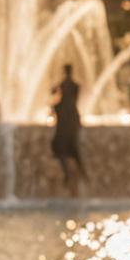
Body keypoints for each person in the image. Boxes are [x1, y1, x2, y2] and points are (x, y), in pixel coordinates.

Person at [50, 63, 88, 195]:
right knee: (72, 151)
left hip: (66, 122)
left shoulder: (63, 85)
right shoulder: (74, 86)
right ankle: (81, 177)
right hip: (71, 120)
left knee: (62, 149)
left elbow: (53, 95)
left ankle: (74, 177)